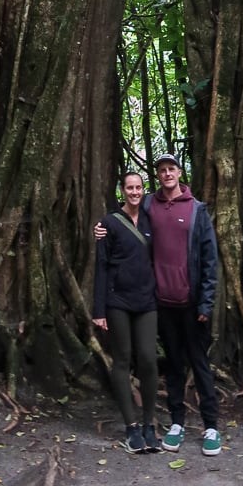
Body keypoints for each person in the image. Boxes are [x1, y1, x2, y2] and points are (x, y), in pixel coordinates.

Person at [95, 152, 221, 457]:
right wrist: (99, 230)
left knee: (198, 363)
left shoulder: (196, 210)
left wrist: (206, 303)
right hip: (160, 302)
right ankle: (175, 422)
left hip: (190, 303)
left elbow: (209, 259)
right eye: (162, 170)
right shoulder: (149, 205)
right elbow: (121, 221)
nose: (167, 174)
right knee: (174, 364)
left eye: (171, 168)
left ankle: (211, 426)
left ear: (179, 172)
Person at [92, 170, 161, 454]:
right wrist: (99, 310)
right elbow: (102, 266)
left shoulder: (150, 219)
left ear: (144, 190)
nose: (134, 192)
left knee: (147, 359)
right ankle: (131, 427)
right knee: (122, 359)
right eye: (129, 188)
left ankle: (149, 425)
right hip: (117, 301)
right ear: (122, 190)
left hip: (147, 301)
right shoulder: (109, 223)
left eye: (138, 188)